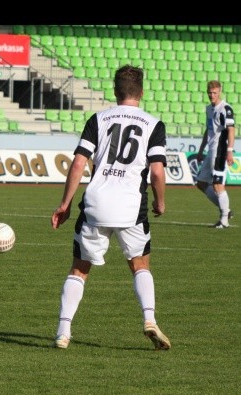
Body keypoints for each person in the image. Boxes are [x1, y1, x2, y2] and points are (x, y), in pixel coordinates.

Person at [50, 65, 171, 350]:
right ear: (141, 92)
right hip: (131, 207)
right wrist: (161, 201)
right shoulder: (153, 124)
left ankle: (63, 332)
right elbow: (156, 172)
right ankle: (150, 319)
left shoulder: (98, 119)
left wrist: (65, 204)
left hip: (96, 204)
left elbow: (79, 164)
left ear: (115, 91)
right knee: (139, 264)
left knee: (79, 269)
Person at [196, 80, 235, 228]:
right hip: (210, 151)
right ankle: (226, 210)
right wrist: (201, 150)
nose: (212, 95)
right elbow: (209, 130)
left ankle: (224, 219)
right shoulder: (209, 109)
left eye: (215, 93)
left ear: (220, 92)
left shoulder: (225, 109)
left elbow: (231, 130)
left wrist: (230, 151)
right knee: (201, 183)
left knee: (218, 184)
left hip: (220, 151)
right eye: (210, 93)